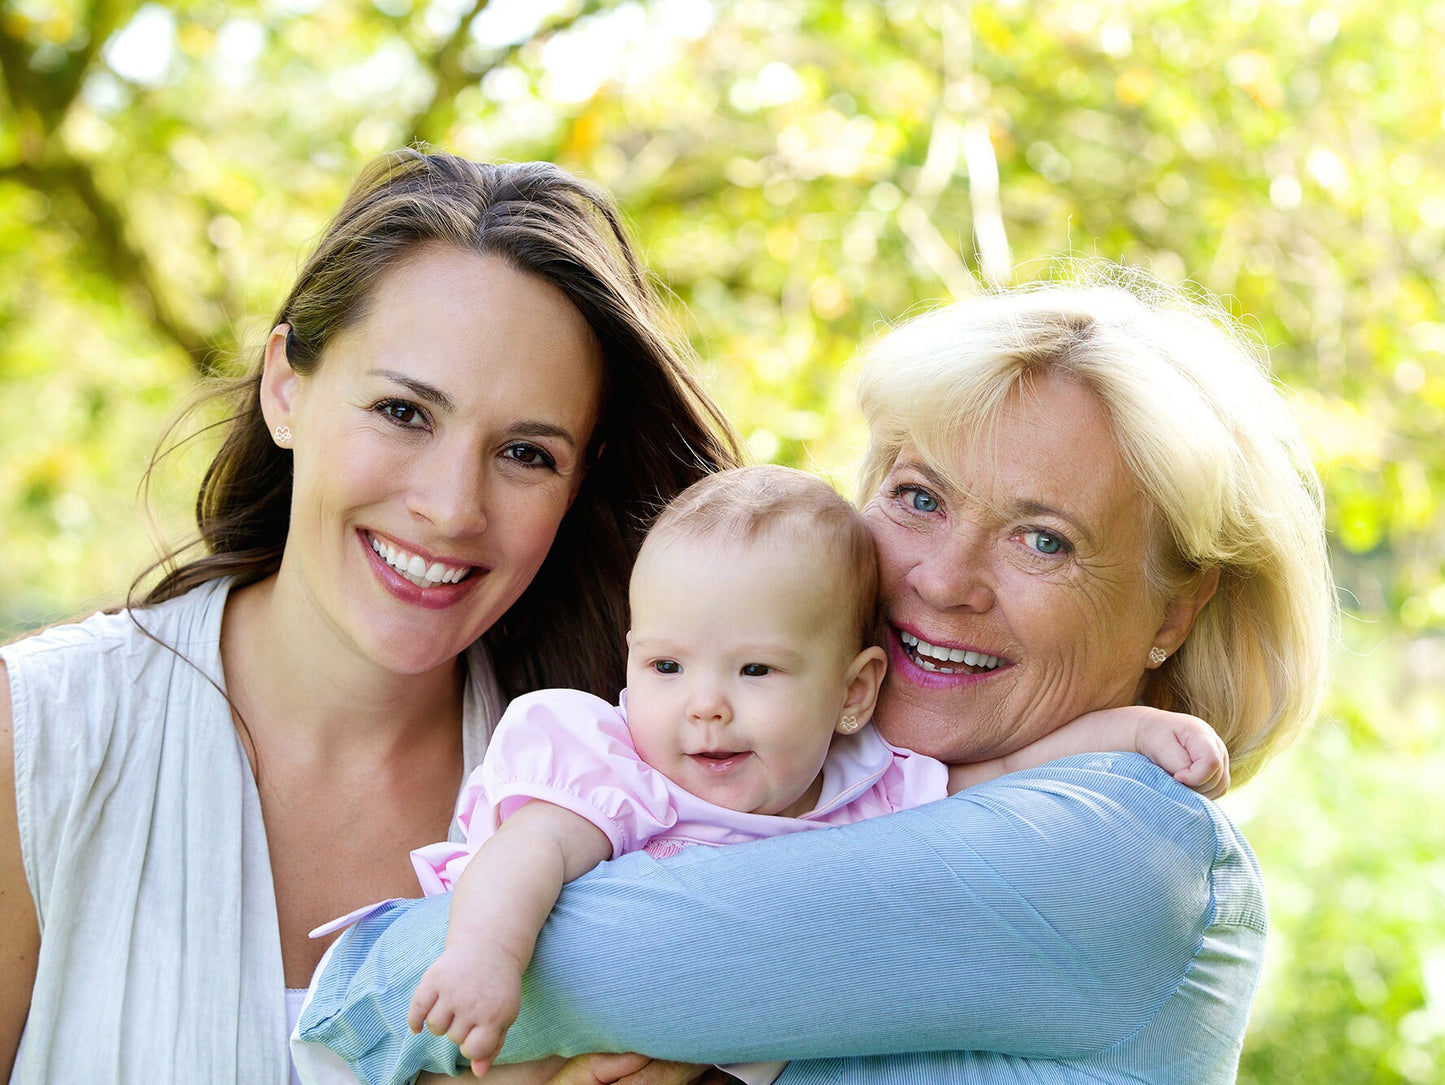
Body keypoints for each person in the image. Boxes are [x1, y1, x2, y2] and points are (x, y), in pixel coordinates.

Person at [294, 268, 1337, 1084]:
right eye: (918, 497)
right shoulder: (869, 781)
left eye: (1043, 539)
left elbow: (411, 981)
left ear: (1174, 606)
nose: (939, 577)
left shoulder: (1116, 846)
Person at [0, 147, 741, 1084]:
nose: (450, 506)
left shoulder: (649, 785)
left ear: (578, 480)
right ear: (286, 386)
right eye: (402, 410)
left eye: (524, 452)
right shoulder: (36, 736)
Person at [297, 464, 1228, 1085]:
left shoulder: (870, 782)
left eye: (754, 672)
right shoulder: (621, 764)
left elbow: (1005, 774)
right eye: (665, 667)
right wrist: (483, 957)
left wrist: (1130, 732)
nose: (703, 705)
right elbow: (530, 850)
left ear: (855, 691)